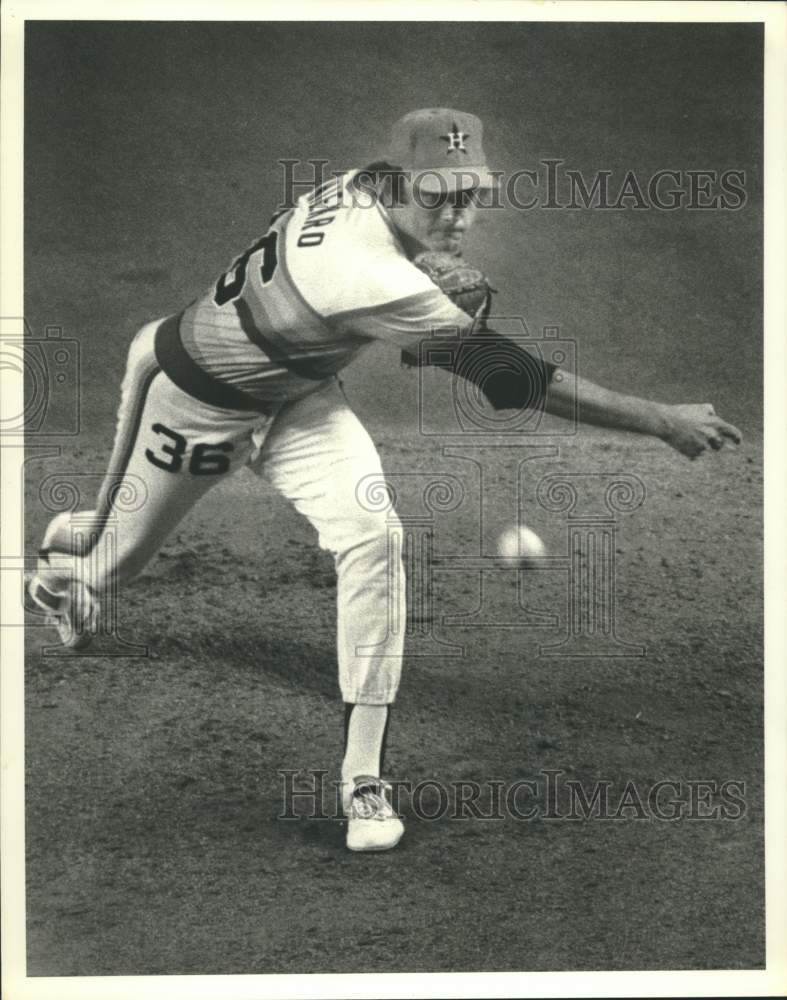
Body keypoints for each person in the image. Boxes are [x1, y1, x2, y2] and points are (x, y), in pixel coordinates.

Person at [27, 108, 742, 852]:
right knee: (109, 570)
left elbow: (395, 310)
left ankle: (361, 781)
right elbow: (513, 379)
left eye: (470, 195)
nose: (458, 214)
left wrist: (425, 272)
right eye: (437, 197)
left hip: (298, 397)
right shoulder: (365, 273)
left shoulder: (358, 191)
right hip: (191, 395)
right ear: (396, 182)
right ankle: (67, 566)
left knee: (374, 537)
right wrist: (660, 418)